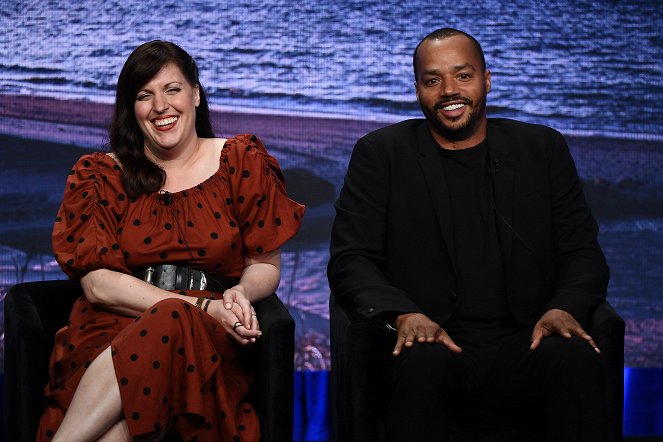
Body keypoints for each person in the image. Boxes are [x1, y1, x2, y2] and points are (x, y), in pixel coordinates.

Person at [327, 28, 610, 441]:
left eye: (463, 76)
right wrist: (404, 314)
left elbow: (582, 252)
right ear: (418, 89)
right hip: (431, 340)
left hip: (526, 336)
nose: (448, 90)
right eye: (432, 80)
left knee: (573, 357)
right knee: (421, 363)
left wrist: (563, 307)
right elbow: (351, 258)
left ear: (486, 80)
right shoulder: (381, 154)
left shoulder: (541, 149)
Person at [37, 40, 305, 442]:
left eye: (172, 89)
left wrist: (241, 295)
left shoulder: (240, 160)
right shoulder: (101, 174)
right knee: (169, 322)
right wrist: (198, 306)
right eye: (145, 96)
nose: (160, 106)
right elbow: (96, 284)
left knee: (171, 329)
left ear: (196, 93)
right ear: (132, 109)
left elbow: (264, 264)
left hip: (210, 338)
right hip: (113, 327)